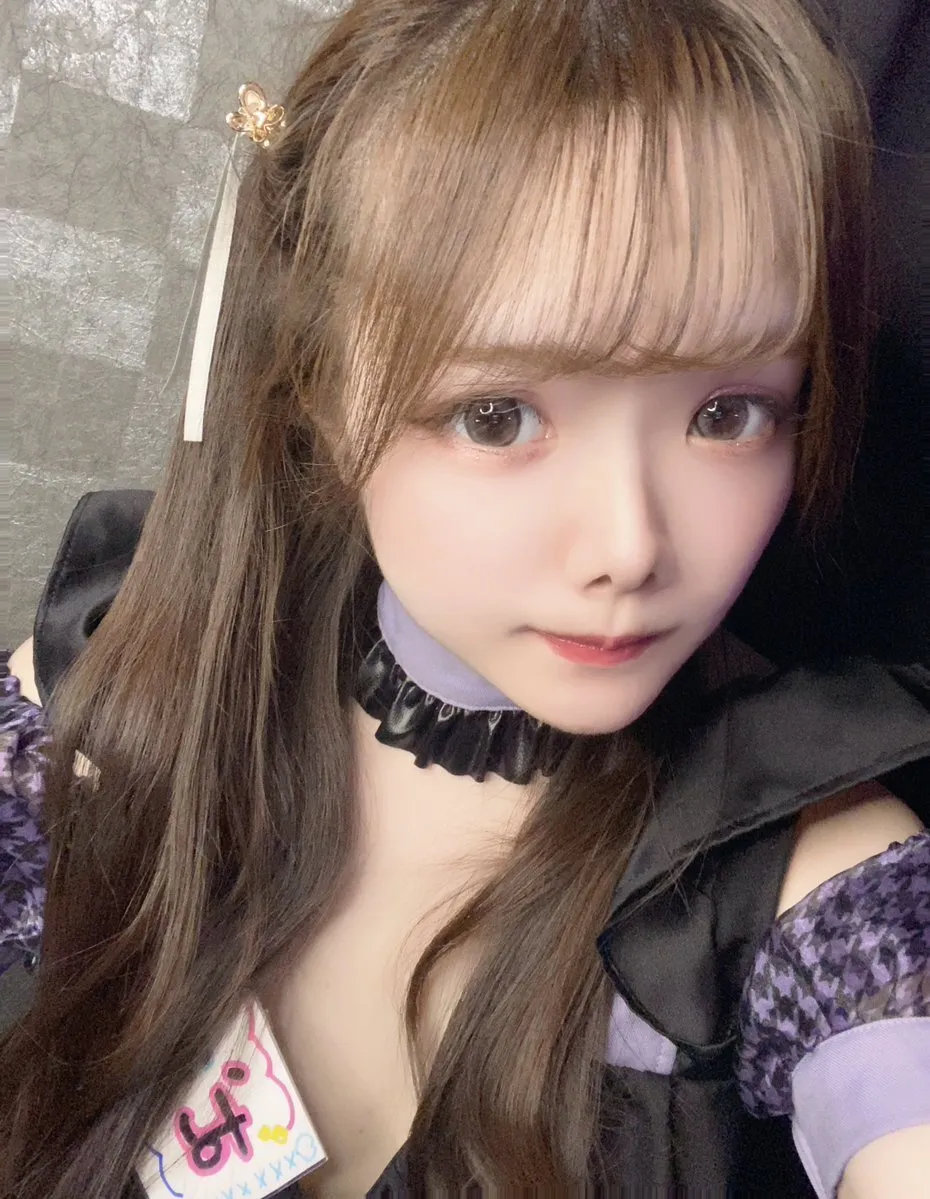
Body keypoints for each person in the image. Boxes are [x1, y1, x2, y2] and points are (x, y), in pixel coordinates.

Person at [1, 1, 928, 1196]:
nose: (631, 546)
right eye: (497, 417)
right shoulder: (117, 683)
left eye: (728, 412)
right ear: (319, 388)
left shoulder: (812, 882)